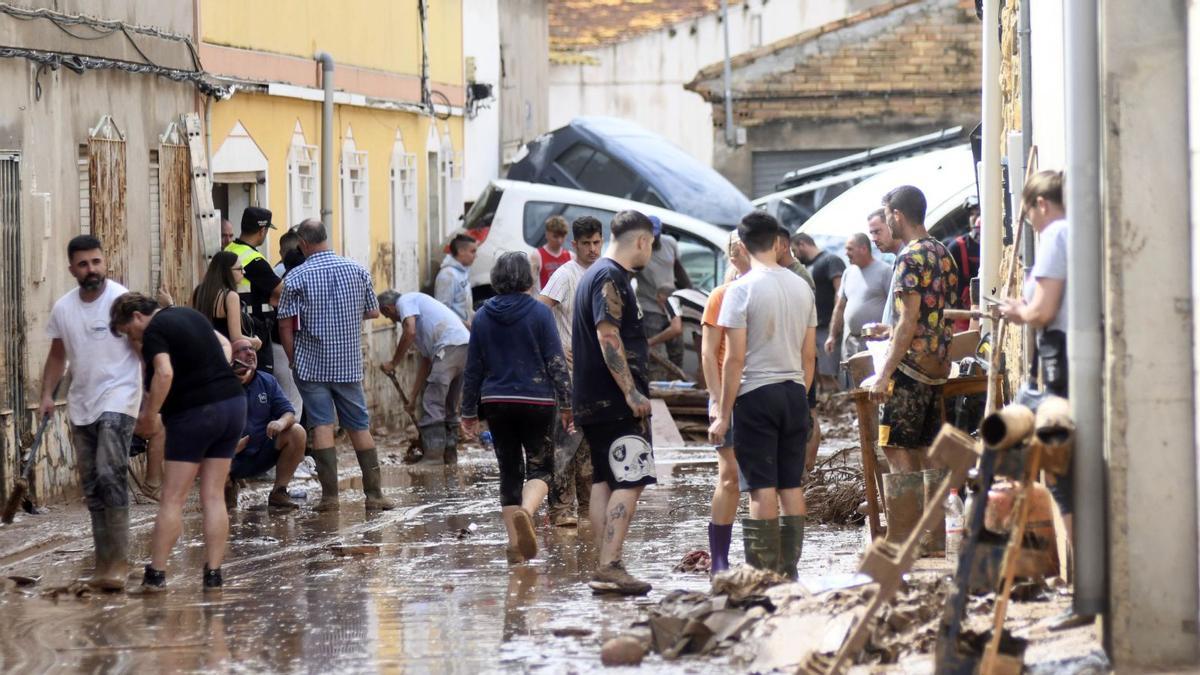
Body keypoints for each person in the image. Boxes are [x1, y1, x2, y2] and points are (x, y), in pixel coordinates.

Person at [110, 293, 246, 592]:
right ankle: (213, 574)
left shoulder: (155, 330)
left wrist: (149, 414)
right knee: (213, 494)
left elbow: (165, 372)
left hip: (195, 414)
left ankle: (156, 575)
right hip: (233, 404)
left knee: (173, 498)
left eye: (129, 333)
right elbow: (225, 346)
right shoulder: (191, 315)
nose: (133, 340)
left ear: (136, 317)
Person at [710, 212, 817, 580]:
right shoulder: (803, 287)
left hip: (756, 395)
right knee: (791, 485)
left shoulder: (740, 290)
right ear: (777, 243)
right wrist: (799, 394)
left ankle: (762, 574)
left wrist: (723, 415)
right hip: (794, 393)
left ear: (741, 246)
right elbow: (809, 356)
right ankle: (789, 572)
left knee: (760, 488)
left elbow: (734, 358)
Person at [38, 235, 143, 591]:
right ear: (72, 269)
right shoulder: (63, 308)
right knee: (93, 485)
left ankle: (119, 563)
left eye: (96, 262)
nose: (91, 270)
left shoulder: (120, 299)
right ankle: (104, 563)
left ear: (104, 262)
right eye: (83, 264)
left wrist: (150, 399)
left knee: (109, 472)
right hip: (82, 403)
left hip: (120, 396)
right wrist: (47, 395)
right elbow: (57, 355)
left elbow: (142, 344)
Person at [461, 252, 573, 563]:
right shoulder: (539, 313)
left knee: (509, 471)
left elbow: (473, 369)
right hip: (537, 402)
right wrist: (567, 404)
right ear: (527, 277)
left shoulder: (482, 316)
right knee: (541, 468)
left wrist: (468, 413)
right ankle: (527, 510)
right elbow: (556, 361)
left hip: (496, 403)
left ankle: (515, 545)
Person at [277, 219, 394, 512]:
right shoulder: (357, 270)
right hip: (348, 363)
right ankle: (375, 494)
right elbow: (372, 310)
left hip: (311, 363)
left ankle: (330, 498)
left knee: (322, 425)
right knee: (358, 425)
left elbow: (286, 326)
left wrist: (293, 358)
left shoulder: (295, 278)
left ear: (303, 244)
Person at [574, 210, 657, 596]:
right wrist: (631, 391)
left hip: (593, 398)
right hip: (615, 401)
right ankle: (610, 564)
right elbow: (609, 336)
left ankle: (603, 563)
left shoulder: (594, 274)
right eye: (651, 245)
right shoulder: (610, 276)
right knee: (631, 477)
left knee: (604, 481)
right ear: (641, 241)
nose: (651, 252)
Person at [869, 186, 960, 474]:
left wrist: (883, 374)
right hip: (937, 368)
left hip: (908, 370)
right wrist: (891, 327)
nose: (888, 222)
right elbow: (932, 314)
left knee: (895, 447)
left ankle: (907, 520)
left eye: (887, 216)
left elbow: (909, 321)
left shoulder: (909, 257)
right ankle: (936, 519)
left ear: (897, 215)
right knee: (928, 450)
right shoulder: (943, 253)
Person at [999, 171, 1071, 518]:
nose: (1028, 221)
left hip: (1061, 362)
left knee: (1054, 467)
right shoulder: (1069, 232)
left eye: (1028, 212)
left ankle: (1065, 560)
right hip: (1060, 360)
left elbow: (1043, 311)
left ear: (1041, 204)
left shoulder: (1055, 235)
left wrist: (1018, 312)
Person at [538, 216, 603, 527]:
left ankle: (589, 506)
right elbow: (540, 309)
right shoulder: (566, 275)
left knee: (590, 440)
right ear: (573, 245)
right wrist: (554, 346)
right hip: (570, 371)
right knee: (566, 439)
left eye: (596, 242)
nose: (592, 249)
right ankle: (562, 508)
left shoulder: (606, 273)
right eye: (586, 244)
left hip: (598, 370)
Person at [700, 231, 753, 575]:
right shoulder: (721, 295)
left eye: (740, 249)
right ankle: (719, 558)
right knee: (730, 477)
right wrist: (719, 402)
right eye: (731, 250)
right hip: (726, 394)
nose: (735, 255)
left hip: (760, 393)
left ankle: (756, 556)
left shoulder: (766, 290)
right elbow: (707, 352)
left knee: (758, 481)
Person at [379, 290, 471, 464]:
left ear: (389, 308)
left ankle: (433, 456)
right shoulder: (423, 320)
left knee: (432, 402)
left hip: (449, 348)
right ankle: (449, 455)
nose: (392, 320)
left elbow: (409, 331)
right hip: (463, 348)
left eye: (387, 315)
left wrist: (393, 363)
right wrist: (412, 398)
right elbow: (426, 362)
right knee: (449, 406)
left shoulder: (405, 301)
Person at [225, 339, 307, 511]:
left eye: (251, 349)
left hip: (262, 453)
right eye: (242, 350)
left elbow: (289, 413)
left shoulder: (267, 380)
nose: (250, 353)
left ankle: (279, 492)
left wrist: (280, 422)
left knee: (296, 431)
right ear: (230, 358)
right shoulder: (220, 385)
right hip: (228, 458)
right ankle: (227, 487)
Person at [225, 206, 282, 374]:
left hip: (233, 324)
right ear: (262, 230)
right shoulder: (254, 259)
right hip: (254, 329)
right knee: (259, 379)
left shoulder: (229, 250)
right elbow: (281, 291)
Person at [634, 216, 691, 378]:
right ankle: (653, 389)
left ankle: (676, 389)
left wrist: (688, 291)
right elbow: (629, 275)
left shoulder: (670, 243)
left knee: (677, 353)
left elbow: (679, 270)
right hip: (650, 306)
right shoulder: (639, 249)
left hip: (672, 303)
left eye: (656, 236)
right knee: (653, 356)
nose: (653, 240)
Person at [792, 232, 846, 386]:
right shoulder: (805, 267)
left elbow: (840, 293)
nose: (795, 255)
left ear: (802, 244)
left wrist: (834, 327)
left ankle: (837, 408)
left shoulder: (830, 260)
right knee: (815, 373)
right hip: (811, 327)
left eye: (794, 250)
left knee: (829, 373)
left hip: (827, 326)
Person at [827, 232, 891, 360]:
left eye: (850, 249)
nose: (846, 253)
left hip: (875, 343)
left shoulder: (885, 271)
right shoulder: (848, 273)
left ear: (864, 249)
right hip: (851, 342)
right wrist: (832, 336)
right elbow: (840, 307)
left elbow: (894, 305)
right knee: (850, 379)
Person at [191, 251, 262, 352]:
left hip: (201, 353)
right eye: (240, 269)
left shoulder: (198, 291)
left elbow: (188, 320)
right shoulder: (230, 296)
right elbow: (236, 337)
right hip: (224, 355)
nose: (244, 272)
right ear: (226, 271)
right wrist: (255, 341)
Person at [947, 197, 981, 331]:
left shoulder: (995, 243)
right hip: (963, 316)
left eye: (978, 213)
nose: (974, 218)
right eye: (971, 214)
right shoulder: (957, 247)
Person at [435, 233, 477, 327]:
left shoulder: (463, 272)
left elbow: (465, 307)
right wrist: (465, 326)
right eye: (473, 251)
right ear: (461, 251)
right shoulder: (447, 275)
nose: (475, 256)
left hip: (464, 332)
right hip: (453, 335)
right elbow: (442, 310)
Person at [530, 215, 572, 291]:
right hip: (543, 301)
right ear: (547, 234)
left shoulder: (571, 256)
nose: (559, 240)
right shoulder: (537, 255)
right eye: (555, 236)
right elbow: (530, 285)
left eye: (562, 236)